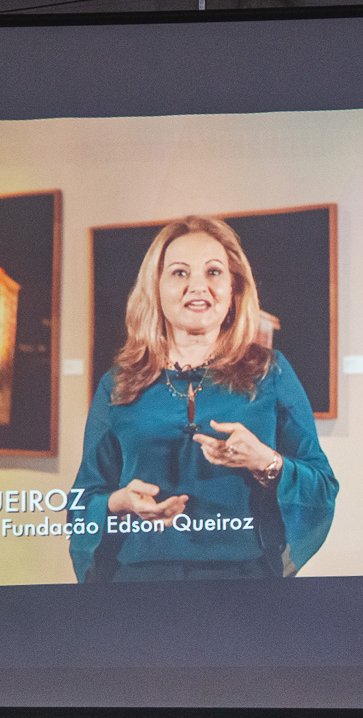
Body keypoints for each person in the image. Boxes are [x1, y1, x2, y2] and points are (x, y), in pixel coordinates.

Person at [69, 215, 337, 582]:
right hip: (138, 586)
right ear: (155, 287)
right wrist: (120, 502)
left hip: (245, 584)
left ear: (234, 287)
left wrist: (266, 462)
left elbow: (322, 487)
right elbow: (82, 504)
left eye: (213, 272)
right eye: (180, 273)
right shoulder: (118, 383)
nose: (198, 286)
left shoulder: (269, 372)